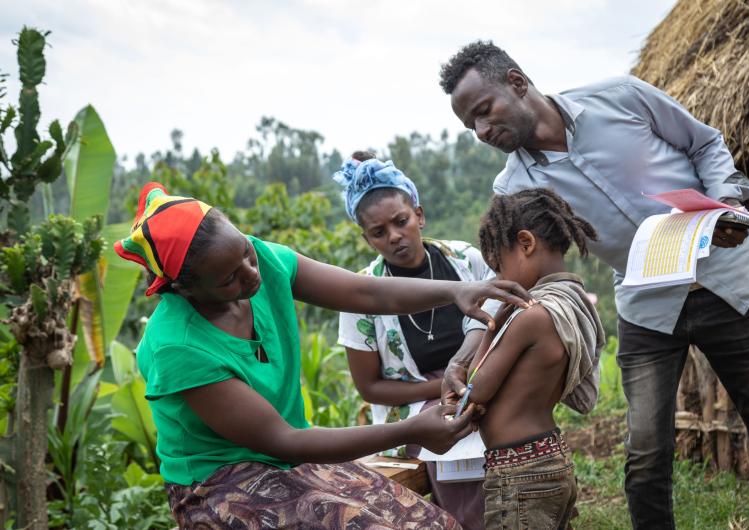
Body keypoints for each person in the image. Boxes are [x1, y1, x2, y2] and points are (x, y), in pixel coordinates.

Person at [438, 40, 749, 530]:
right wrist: (464, 357)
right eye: (471, 125)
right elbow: (500, 283)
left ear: (517, 83)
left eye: (484, 111)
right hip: (647, 307)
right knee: (646, 454)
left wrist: (725, 202)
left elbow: (705, 143)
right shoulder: (514, 189)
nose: (482, 130)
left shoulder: (620, 98)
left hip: (727, 279)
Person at [114, 182, 532, 529]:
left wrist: (455, 291)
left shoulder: (261, 259)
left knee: (432, 525)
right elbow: (284, 440)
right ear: (185, 289)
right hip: (221, 482)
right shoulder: (178, 346)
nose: (252, 273)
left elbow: (362, 290)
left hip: (292, 461)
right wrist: (410, 430)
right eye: (229, 279)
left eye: (246, 252)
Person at [334, 152, 488, 530]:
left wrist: (475, 381)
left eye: (401, 221)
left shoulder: (465, 262)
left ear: (419, 215)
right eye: (379, 231)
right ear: (367, 237)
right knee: (452, 431)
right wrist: (448, 387)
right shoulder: (360, 296)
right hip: (418, 404)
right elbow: (371, 388)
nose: (394, 236)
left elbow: (499, 321)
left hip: (485, 377)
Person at [465, 188, 604, 530]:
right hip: (548, 459)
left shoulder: (531, 317)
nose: (498, 279)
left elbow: (476, 386)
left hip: (520, 474)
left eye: (499, 267)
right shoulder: (566, 305)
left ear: (526, 244)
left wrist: (491, 324)